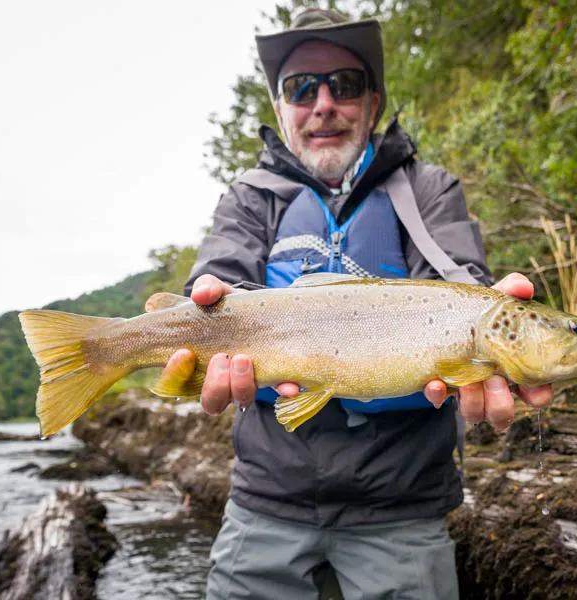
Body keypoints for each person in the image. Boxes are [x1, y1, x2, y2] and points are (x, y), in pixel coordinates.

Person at [163, 8, 552, 599]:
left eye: (342, 84)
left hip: (402, 508)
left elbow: (461, 281)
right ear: (280, 108)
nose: (323, 103)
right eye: (301, 88)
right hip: (265, 502)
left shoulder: (427, 189)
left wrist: (499, 328)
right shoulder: (250, 197)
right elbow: (217, 279)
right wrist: (201, 305)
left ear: (372, 101)